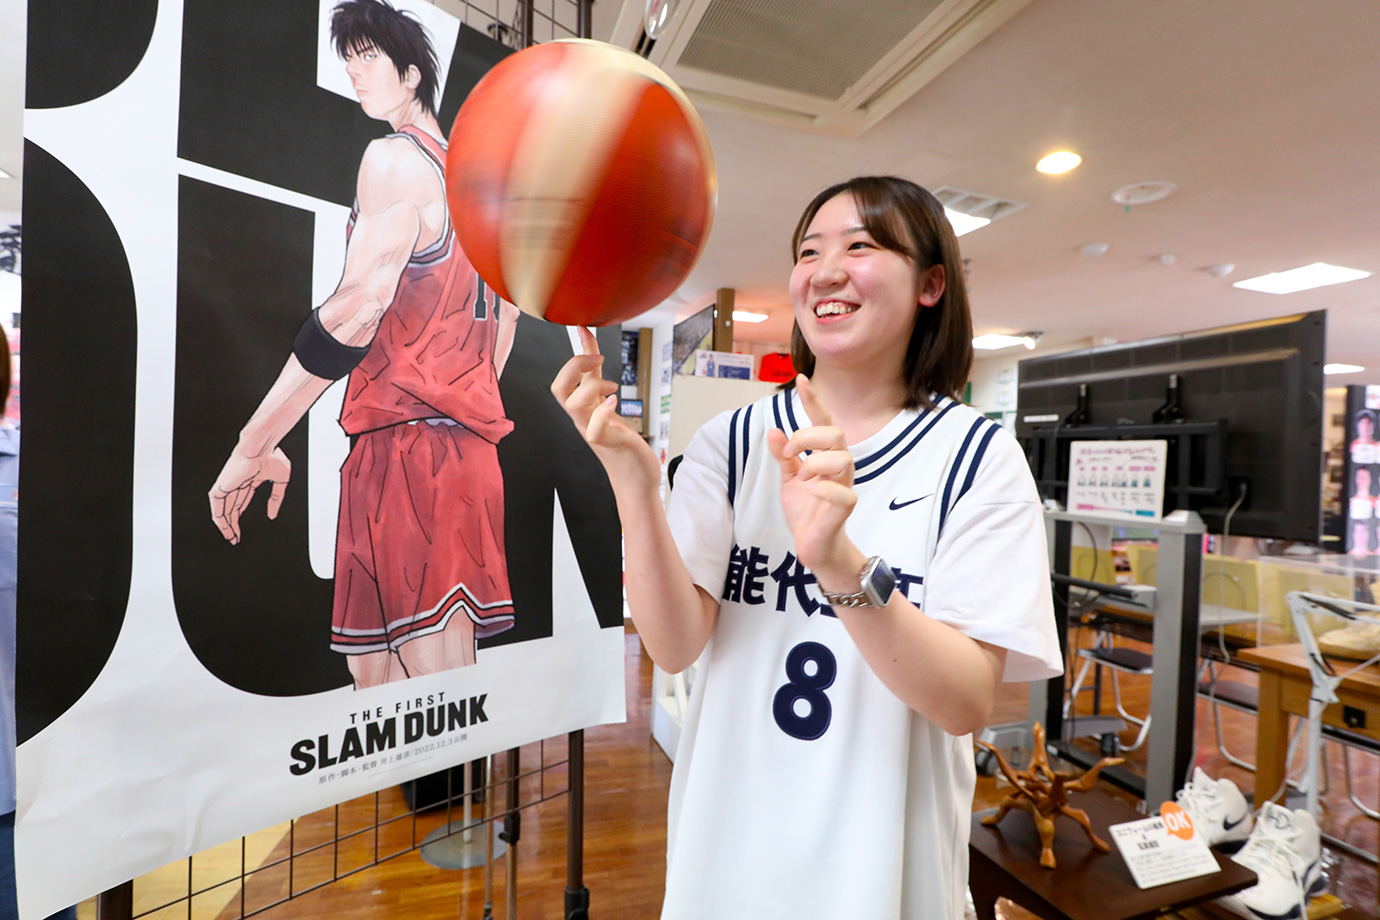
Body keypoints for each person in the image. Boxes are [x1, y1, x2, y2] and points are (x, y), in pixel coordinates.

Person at [552, 176, 1062, 918]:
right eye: (809, 250)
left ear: (931, 284)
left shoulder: (977, 456)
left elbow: (965, 701)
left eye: (861, 246)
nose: (825, 270)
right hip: (725, 851)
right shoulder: (730, 441)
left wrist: (839, 563)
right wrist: (634, 486)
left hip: (883, 871)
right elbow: (673, 644)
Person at [209, 0, 519, 688]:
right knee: (386, 680)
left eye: (367, 57)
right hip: (434, 451)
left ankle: (467, 798)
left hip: (416, 453)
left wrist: (252, 445)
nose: (354, 72)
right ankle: (462, 797)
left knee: (425, 687)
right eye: (348, 59)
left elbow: (356, 311)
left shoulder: (395, 161)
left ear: (412, 75)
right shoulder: (471, 189)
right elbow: (507, 320)